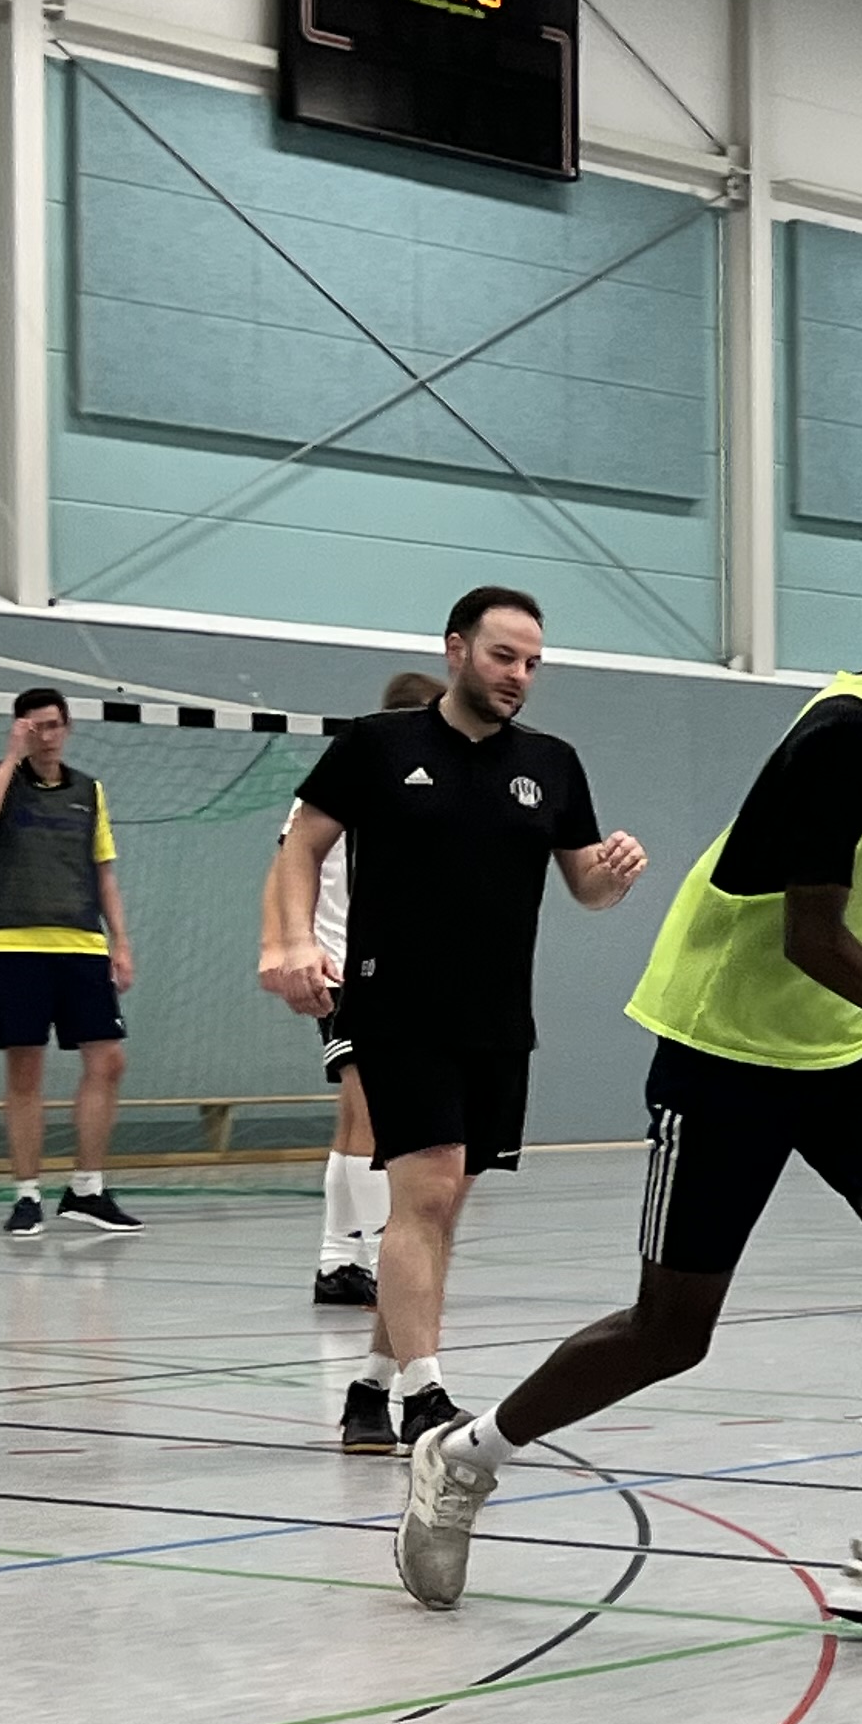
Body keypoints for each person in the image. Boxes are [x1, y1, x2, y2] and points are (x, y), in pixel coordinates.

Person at [390, 520, 862, 1631]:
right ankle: (466, 1455)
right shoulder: (848, 738)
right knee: (672, 1331)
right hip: (727, 1051)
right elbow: (812, 937)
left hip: (841, 1050)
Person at [259, 589, 645, 1459]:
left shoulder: (552, 762)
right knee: (427, 1194)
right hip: (394, 1004)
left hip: (498, 1018)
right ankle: (425, 1393)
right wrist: (287, 941)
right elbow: (302, 844)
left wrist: (613, 877)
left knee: (437, 1212)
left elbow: (584, 885)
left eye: (533, 663)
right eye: (504, 656)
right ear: (457, 649)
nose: (519, 676)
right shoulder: (377, 744)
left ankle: (370, 1387)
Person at [275, 666, 448, 1320]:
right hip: (348, 969)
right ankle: (379, 1257)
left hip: (383, 971)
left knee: (357, 1117)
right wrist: (286, 947)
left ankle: (337, 1263)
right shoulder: (357, 780)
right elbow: (288, 867)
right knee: (374, 1116)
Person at [0, 686, 141, 1238]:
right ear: (21, 728)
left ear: (68, 728)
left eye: (55, 724)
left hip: (82, 945)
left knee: (109, 1061)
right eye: (36, 726)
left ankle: (87, 1189)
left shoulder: (90, 791)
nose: (47, 735)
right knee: (26, 1068)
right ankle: (26, 1195)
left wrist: (121, 941)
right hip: (15, 945)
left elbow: (104, 872)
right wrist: (10, 756)